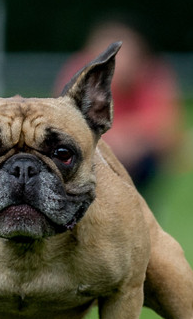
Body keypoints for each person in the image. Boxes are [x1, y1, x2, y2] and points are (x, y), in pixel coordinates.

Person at [55, 19, 183, 196]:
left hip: (138, 161)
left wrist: (130, 138)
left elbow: (167, 132)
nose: (123, 64)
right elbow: (62, 127)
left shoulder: (152, 75)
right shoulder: (80, 75)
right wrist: (115, 139)